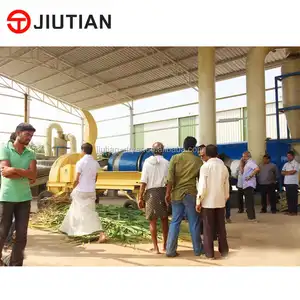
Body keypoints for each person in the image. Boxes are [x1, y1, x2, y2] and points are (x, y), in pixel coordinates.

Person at [0, 123, 37, 266]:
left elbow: (33, 174)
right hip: (7, 197)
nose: (30, 138)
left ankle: (16, 264)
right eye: (27, 134)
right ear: (18, 133)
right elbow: (5, 173)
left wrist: (15, 169)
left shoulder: (31, 153)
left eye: (31, 135)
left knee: (21, 235)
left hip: (24, 198)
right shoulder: (5, 148)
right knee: (2, 232)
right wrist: (24, 172)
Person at [60, 143, 107, 242]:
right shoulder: (95, 163)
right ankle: (101, 233)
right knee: (91, 213)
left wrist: (73, 188)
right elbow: (96, 178)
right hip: (91, 191)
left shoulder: (80, 162)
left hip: (81, 191)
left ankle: (70, 234)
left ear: (83, 151)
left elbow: (77, 179)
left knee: (75, 211)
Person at [165, 136, 203, 257]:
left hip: (176, 194)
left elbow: (170, 179)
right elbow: (201, 181)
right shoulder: (198, 161)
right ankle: (198, 250)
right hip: (191, 194)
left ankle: (170, 250)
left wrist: (167, 194)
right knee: (194, 222)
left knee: (175, 221)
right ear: (194, 147)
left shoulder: (175, 158)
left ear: (184, 145)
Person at [196, 144, 229, 260]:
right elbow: (226, 186)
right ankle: (224, 252)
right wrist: (225, 198)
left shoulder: (205, 167)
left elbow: (202, 187)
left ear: (207, 154)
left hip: (208, 203)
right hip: (220, 201)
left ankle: (209, 254)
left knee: (208, 228)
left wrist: (199, 201)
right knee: (221, 228)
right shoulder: (223, 167)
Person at [138, 142, 169, 254]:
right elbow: (169, 181)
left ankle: (156, 248)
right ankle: (165, 246)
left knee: (152, 221)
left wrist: (140, 197)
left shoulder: (147, 162)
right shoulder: (167, 163)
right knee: (165, 220)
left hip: (151, 193)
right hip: (163, 192)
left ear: (152, 150)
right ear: (163, 150)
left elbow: (143, 182)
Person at [242, 151, 260, 222]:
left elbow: (257, 169)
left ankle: (252, 217)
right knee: (248, 201)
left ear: (247, 156)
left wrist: (250, 176)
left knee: (249, 201)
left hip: (249, 184)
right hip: (246, 185)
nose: (242, 158)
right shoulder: (247, 163)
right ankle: (250, 216)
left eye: (243, 156)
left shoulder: (250, 163)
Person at [281, 151, 299, 216]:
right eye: (287, 156)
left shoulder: (296, 164)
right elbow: (282, 172)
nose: (288, 157)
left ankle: (294, 212)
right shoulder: (286, 164)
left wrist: (286, 172)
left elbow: (293, 172)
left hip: (293, 183)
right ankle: (290, 211)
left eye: (289, 156)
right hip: (287, 183)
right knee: (288, 197)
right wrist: (289, 172)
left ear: (293, 156)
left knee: (293, 198)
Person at [218, 153, 232, 223]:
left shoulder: (217, 168)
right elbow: (229, 179)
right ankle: (227, 217)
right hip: (227, 188)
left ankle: (223, 218)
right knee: (227, 204)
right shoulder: (227, 168)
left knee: (221, 205)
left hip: (220, 189)